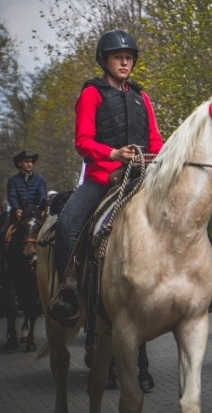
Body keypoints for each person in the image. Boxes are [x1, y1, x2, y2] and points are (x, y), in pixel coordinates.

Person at [48, 29, 165, 326]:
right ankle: (69, 290)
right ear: (105, 60)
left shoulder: (142, 97)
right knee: (67, 224)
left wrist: (162, 159)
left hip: (141, 179)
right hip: (101, 180)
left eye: (128, 58)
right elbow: (82, 141)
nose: (124, 63)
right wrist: (113, 154)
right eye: (118, 58)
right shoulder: (91, 94)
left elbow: (155, 140)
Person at [3, 151, 47, 236]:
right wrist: (16, 209)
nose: (29, 164)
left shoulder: (40, 179)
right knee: (2, 231)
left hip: (35, 212)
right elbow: (12, 196)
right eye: (26, 162)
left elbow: (42, 194)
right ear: (20, 163)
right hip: (18, 213)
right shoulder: (13, 180)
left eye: (31, 162)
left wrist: (42, 207)